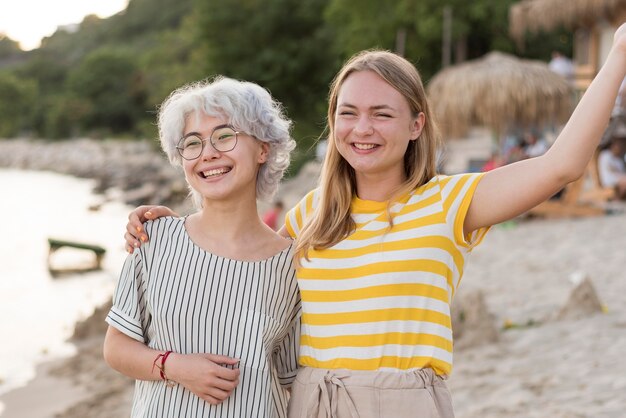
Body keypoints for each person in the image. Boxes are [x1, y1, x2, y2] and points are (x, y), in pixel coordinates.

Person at [123, 24, 626, 417]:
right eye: (349, 112)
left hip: (402, 401)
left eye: (382, 114)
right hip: (309, 400)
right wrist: (180, 226)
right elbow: (244, 268)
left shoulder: (450, 203)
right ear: (333, 119)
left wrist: (618, 57)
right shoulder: (313, 213)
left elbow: (562, 165)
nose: (362, 129)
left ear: (416, 125)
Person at [103, 76, 302, 417]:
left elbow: (290, 380)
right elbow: (116, 348)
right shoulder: (156, 239)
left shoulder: (292, 264)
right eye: (192, 143)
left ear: (263, 149)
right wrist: (174, 366)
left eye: (225, 136)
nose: (208, 153)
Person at [598, 134, 626, 199]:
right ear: (613, 146)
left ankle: (619, 198)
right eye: (618, 146)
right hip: (607, 179)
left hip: (617, 179)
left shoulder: (618, 160)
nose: (619, 148)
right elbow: (611, 169)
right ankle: (617, 198)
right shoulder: (605, 155)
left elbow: (620, 172)